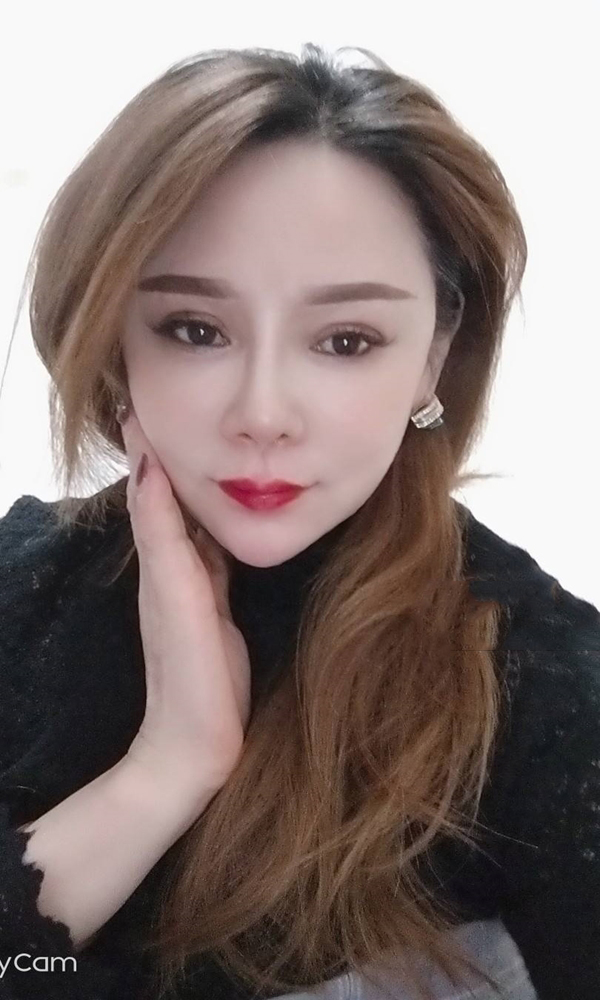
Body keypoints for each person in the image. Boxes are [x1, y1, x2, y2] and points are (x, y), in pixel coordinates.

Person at [0, 42, 598, 1000]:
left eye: (345, 340)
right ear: (116, 337)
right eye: (195, 329)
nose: (263, 412)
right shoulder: (20, 590)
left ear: (434, 353)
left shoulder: (546, 697)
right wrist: (165, 768)